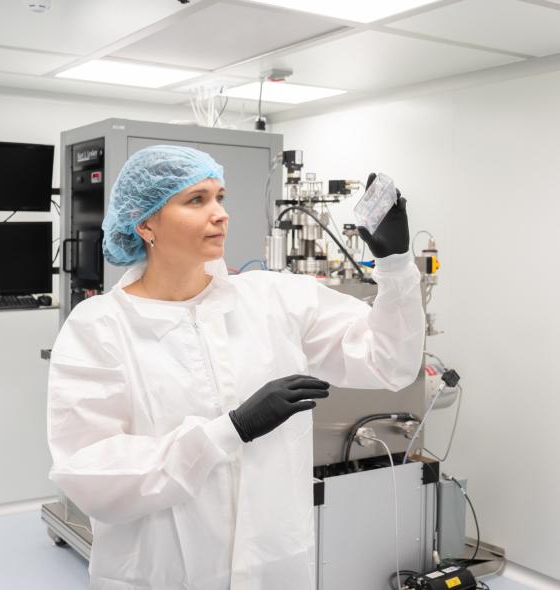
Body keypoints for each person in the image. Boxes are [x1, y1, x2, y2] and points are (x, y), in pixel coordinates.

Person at [47, 145, 424, 590]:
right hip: (160, 574)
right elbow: (91, 474)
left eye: (220, 197)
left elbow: (390, 363)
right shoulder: (100, 326)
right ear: (145, 224)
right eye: (196, 200)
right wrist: (230, 430)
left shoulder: (274, 299)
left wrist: (395, 265)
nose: (220, 214)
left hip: (273, 567)